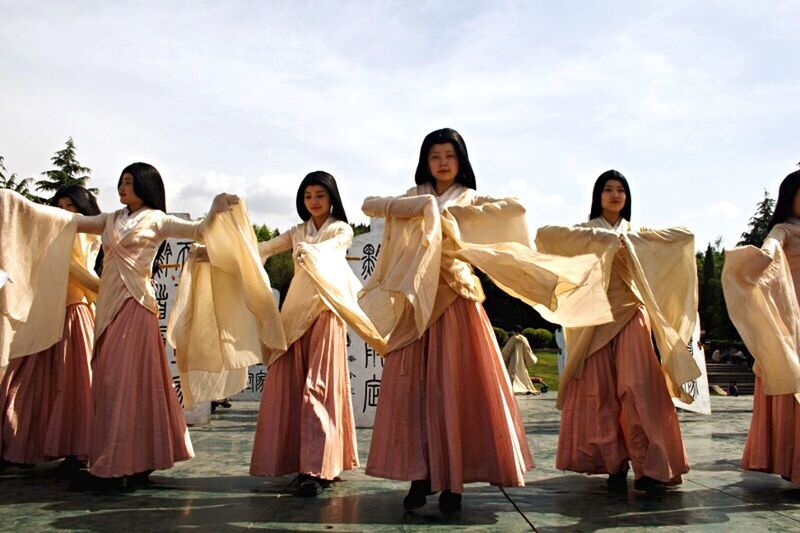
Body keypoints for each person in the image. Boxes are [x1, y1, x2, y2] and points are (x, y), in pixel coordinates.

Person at [361, 128, 611, 514]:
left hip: (458, 298)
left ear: (461, 161)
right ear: (425, 162)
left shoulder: (471, 198)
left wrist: (463, 215)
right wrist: (422, 207)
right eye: (435, 156)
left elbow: (515, 209)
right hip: (418, 303)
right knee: (417, 392)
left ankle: (453, 483)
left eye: (449, 155)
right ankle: (420, 474)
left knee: (457, 389)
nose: (442, 163)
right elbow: (369, 204)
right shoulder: (414, 196)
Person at [0, 163, 239, 489]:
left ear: (145, 185)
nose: (122, 187)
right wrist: (16, 203)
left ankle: (119, 464)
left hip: (137, 306)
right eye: (121, 181)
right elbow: (70, 221)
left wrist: (215, 209)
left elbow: (199, 231)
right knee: (110, 385)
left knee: (127, 385)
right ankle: (124, 458)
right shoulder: (111, 219)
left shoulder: (157, 219)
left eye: (129, 182)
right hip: (108, 309)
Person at [536, 169, 699, 494]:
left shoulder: (637, 232)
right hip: (595, 319)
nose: (615, 194)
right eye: (608, 189)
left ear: (627, 197)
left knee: (639, 389)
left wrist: (631, 241)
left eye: (620, 190)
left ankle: (651, 468)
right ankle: (612, 463)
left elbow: (684, 235)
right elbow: (545, 234)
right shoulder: (586, 231)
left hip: (632, 315)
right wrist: (601, 240)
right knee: (600, 393)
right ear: (597, 196)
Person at [250, 171, 384, 497]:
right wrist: (224, 251)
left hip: (325, 312)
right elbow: (263, 248)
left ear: (332, 198)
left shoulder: (341, 229)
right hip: (294, 317)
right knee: (289, 387)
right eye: (308, 196)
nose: (314, 201)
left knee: (319, 388)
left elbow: (331, 249)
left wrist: (310, 252)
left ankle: (317, 467)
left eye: (320, 195)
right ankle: (298, 461)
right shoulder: (297, 232)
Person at [0, 185, 100, 475]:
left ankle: (76, 447)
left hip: (73, 309)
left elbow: (80, 269)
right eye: (60, 205)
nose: (65, 211)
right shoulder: (50, 230)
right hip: (44, 312)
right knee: (25, 382)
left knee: (75, 385)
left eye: (71, 206)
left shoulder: (86, 232)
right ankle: (21, 445)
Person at [723, 169, 800, 484]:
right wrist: (758, 256)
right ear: (790, 197)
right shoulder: (785, 230)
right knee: (791, 380)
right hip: (791, 319)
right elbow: (771, 248)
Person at [501, 326, 540, 395]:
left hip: (513, 361)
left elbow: (507, 350)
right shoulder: (524, 339)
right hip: (521, 361)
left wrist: (503, 359)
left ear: (514, 331)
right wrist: (530, 359)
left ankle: (512, 386)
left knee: (512, 374)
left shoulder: (513, 339)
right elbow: (528, 350)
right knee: (523, 373)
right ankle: (524, 386)